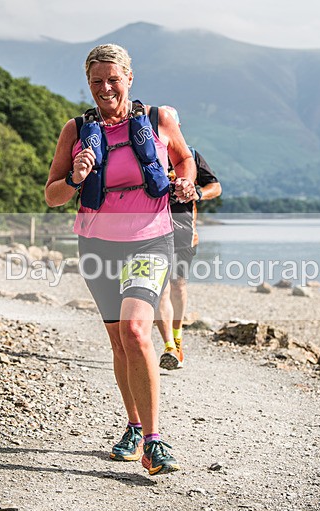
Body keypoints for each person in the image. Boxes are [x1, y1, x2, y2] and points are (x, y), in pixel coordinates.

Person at [45, 43, 197, 475]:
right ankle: (133, 427)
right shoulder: (75, 130)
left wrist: (184, 185)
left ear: (130, 78)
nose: (105, 88)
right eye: (97, 81)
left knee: (135, 330)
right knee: (118, 341)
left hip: (150, 239)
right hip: (96, 244)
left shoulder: (158, 120)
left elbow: (184, 160)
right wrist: (75, 178)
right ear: (88, 84)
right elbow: (52, 195)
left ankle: (154, 441)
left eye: (114, 79)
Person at [156, 106, 222, 371]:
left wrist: (197, 192)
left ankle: (178, 339)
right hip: (151, 232)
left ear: (177, 129)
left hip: (184, 232)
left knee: (178, 285)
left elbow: (215, 186)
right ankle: (169, 348)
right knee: (159, 290)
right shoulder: (147, 154)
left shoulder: (191, 155)